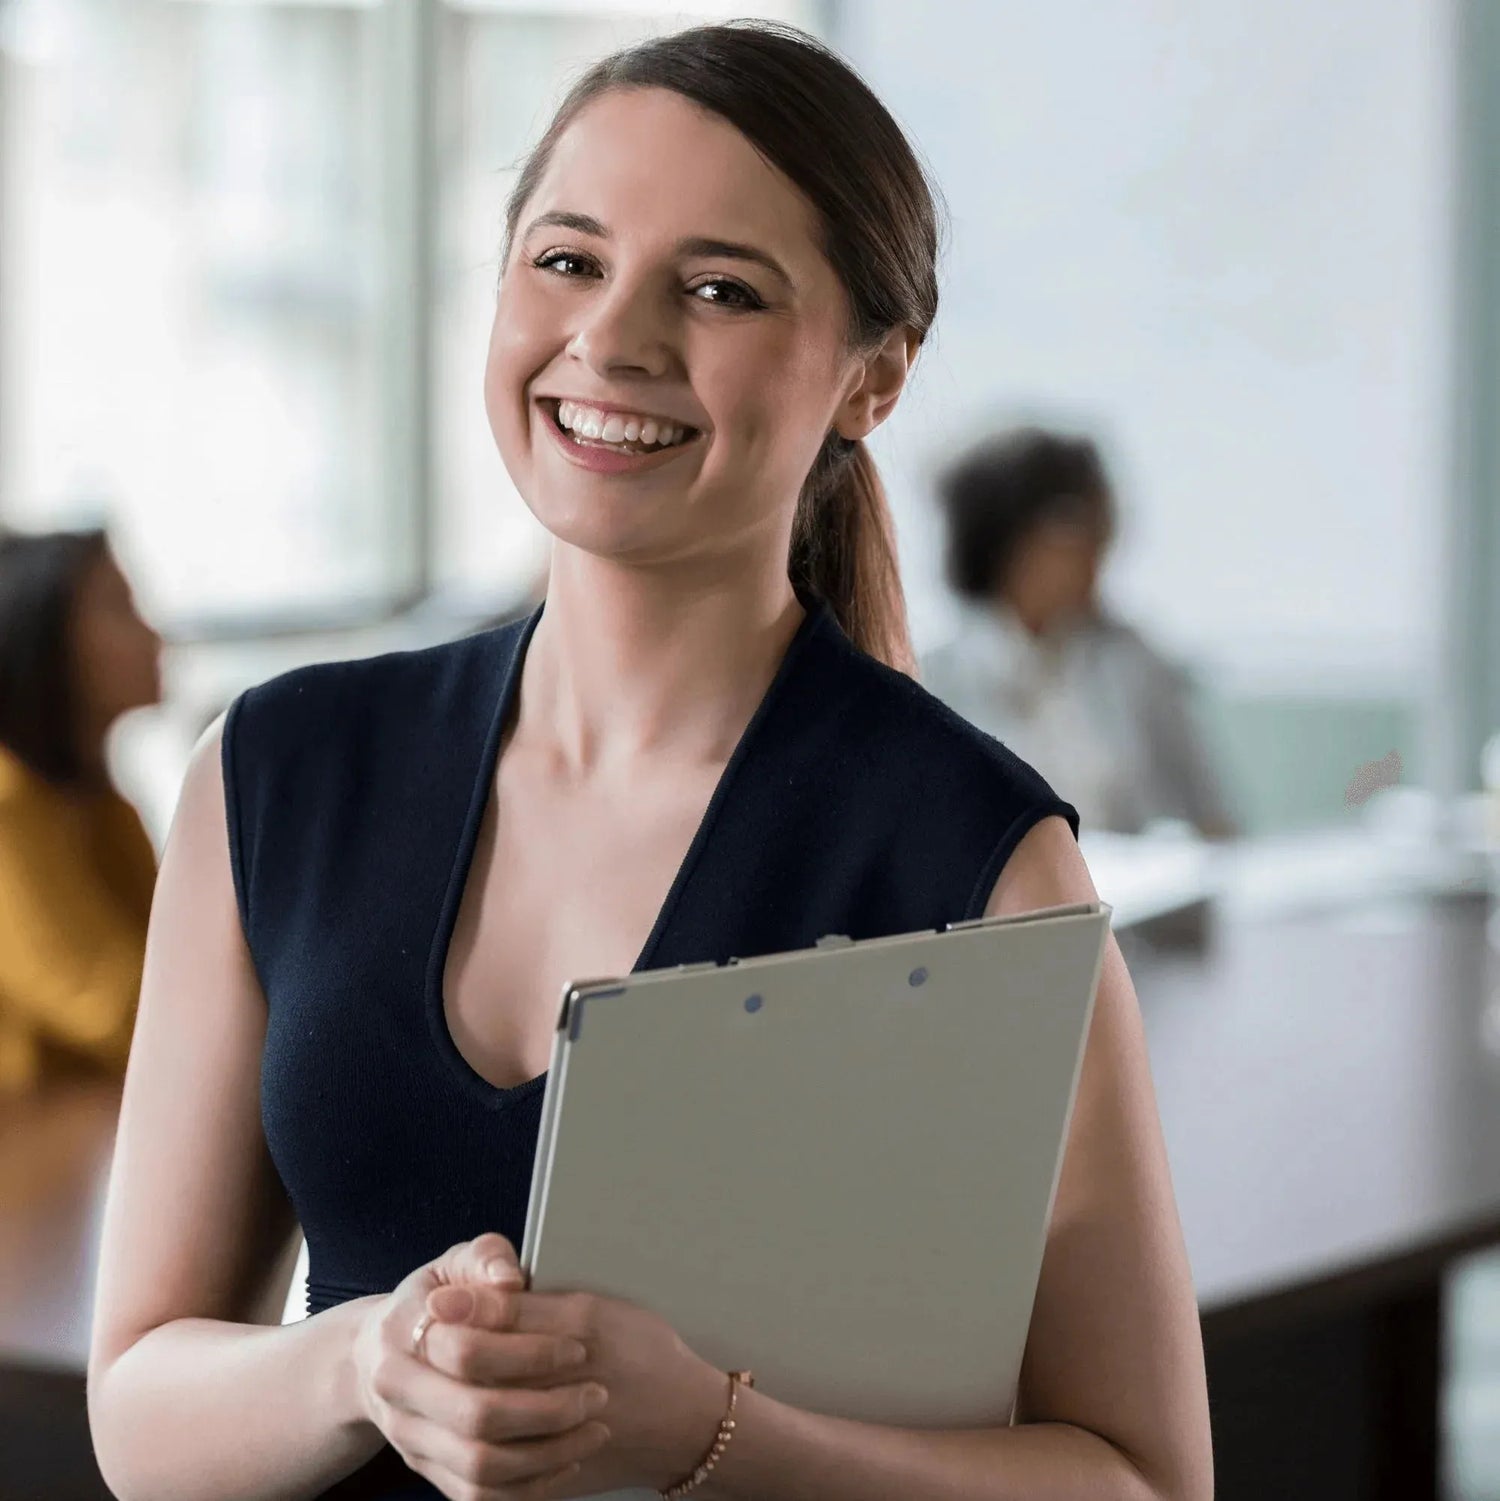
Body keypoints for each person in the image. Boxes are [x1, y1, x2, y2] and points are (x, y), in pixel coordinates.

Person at [87, 23, 1212, 1501]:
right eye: (566, 261)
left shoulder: (978, 860)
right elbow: (139, 1412)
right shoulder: (276, 772)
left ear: (872, 379)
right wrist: (363, 1362)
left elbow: (1141, 1480)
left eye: (720, 289)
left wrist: (707, 1432)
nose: (613, 338)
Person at [922, 427, 1239, 840]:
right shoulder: (932, 679)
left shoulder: (1136, 662)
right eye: (1074, 523)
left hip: (1138, 897)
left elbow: (1215, 821)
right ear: (1006, 536)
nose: (1098, 547)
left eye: (1102, 522)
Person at [0, 528, 162, 1096]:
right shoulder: (7, 803)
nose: (155, 634)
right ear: (45, 639)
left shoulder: (98, 800)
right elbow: (117, 1012)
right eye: (121, 608)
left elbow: (173, 955)